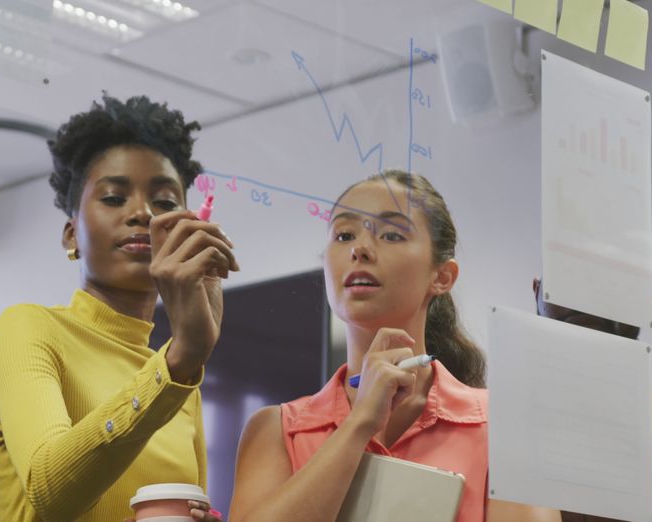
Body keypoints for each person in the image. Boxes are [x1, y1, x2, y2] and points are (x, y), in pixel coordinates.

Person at [228, 170, 556, 521]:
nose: (360, 249)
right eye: (344, 234)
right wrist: (360, 424)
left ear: (442, 276)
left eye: (391, 234)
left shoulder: (504, 426)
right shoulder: (277, 430)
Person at [0, 94, 233, 521]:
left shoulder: (178, 380)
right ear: (71, 235)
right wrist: (177, 362)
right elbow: (52, 492)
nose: (142, 213)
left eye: (166, 202)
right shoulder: (28, 328)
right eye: (114, 198)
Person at [533, 279, 652, 522]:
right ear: (538, 290)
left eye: (617, 280)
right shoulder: (487, 422)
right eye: (568, 273)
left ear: (648, 300)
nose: (589, 297)